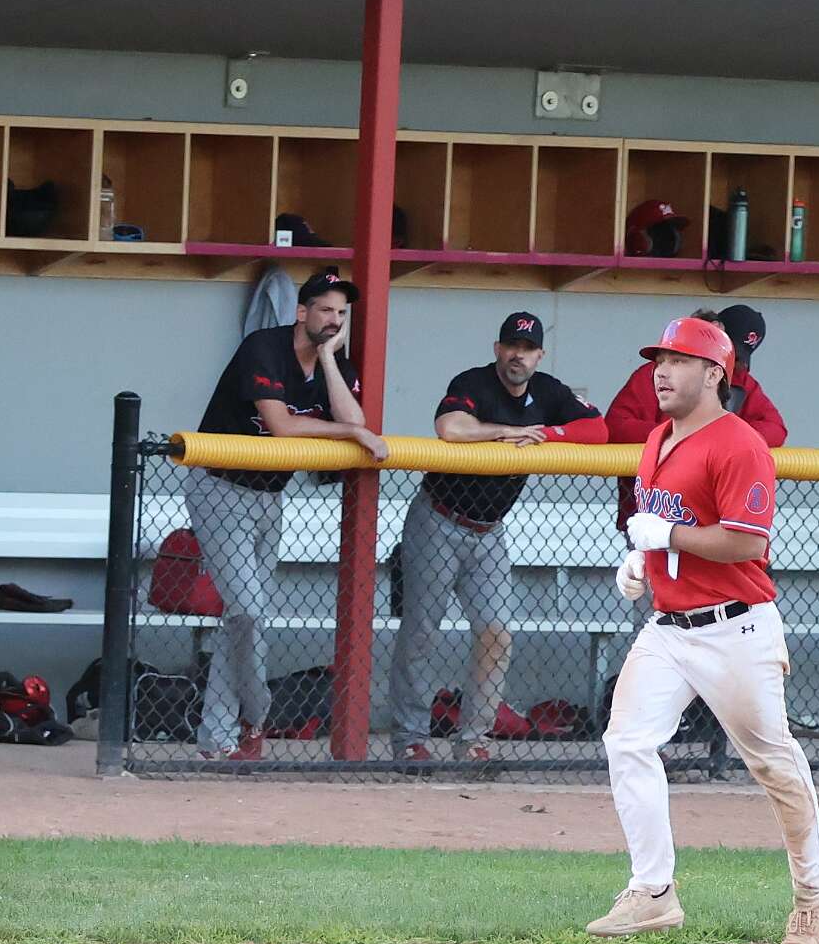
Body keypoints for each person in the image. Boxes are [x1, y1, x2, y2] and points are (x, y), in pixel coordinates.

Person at [584, 314, 819, 944]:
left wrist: (667, 537)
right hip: (670, 628)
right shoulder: (656, 439)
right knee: (627, 740)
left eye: (677, 360)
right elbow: (663, 526)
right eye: (658, 361)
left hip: (737, 627)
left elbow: (746, 542)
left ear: (713, 374)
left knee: (772, 764)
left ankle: (817, 892)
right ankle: (653, 890)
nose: (661, 372)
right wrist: (642, 561)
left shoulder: (739, 443)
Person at [386, 310, 607, 764]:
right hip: (439, 519)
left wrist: (546, 434)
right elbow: (450, 427)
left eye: (527, 349)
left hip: (489, 532)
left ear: (539, 355)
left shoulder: (548, 391)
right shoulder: (475, 382)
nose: (517, 356)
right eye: (511, 346)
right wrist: (507, 432)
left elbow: (598, 430)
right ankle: (410, 738)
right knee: (421, 632)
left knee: (497, 634)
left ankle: (474, 740)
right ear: (497, 349)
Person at [189, 270, 387, 762]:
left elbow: (356, 419)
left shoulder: (334, 362)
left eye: (341, 313)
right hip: (220, 486)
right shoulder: (265, 346)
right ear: (302, 312)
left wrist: (328, 358)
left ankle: (220, 737)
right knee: (248, 610)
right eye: (325, 310)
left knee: (243, 617)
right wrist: (349, 433)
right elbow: (280, 425)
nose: (334, 320)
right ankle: (255, 718)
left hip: (269, 498)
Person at [604, 303, 785, 534]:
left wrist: (716, 437)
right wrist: (679, 436)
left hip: (710, 525)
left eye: (736, 356)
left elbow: (776, 428)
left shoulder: (741, 387)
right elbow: (615, 426)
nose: (731, 362)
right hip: (648, 517)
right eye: (663, 361)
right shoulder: (657, 387)